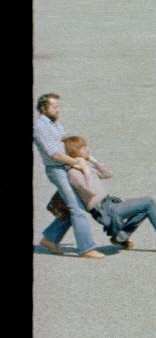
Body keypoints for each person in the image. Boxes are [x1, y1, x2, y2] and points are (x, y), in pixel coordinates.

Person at [62, 135, 156, 253]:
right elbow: (90, 192)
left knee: (145, 209)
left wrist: (92, 160)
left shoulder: (86, 167)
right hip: (104, 211)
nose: (87, 148)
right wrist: (86, 170)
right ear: (75, 152)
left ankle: (120, 237)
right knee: (148, 202)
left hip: (110, 204)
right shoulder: (73, 173)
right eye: (83, 148)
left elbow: (108, 174)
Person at [35, 92, 104, 258]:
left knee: (74, 204)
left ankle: (50, 239)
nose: (58, 110)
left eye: (58, 106)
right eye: (54, 107)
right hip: (56, 169)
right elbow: (55, 154)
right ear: (44, 108)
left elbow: (65, 146)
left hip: (65, 166)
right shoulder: (40, 126)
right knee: (76, 207)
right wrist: (78, 163)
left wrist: (81, 156)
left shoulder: (54, 123)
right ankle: (86, 249)